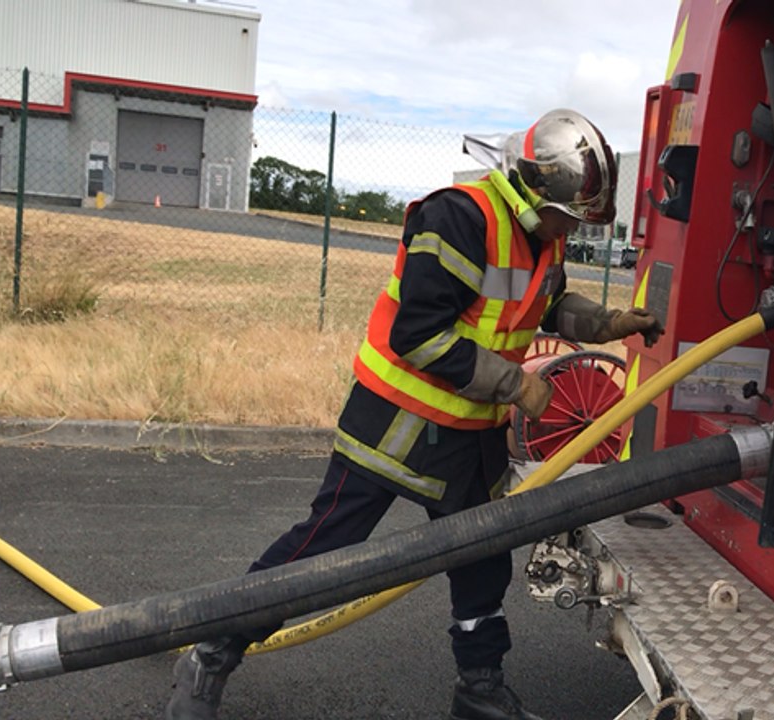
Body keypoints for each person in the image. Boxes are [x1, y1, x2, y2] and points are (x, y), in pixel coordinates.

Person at [166, 108, 663, 720]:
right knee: (325, 547)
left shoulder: (541, 235)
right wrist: (517, 385)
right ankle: (210, 652)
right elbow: (419, 335)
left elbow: (546, 303)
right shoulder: (459, 217)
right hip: (395, 425)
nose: (568, 226)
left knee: (483, 559)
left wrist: (610, 323)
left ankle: (479, 691)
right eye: (566, 214)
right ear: (534, 190)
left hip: (468, 436)